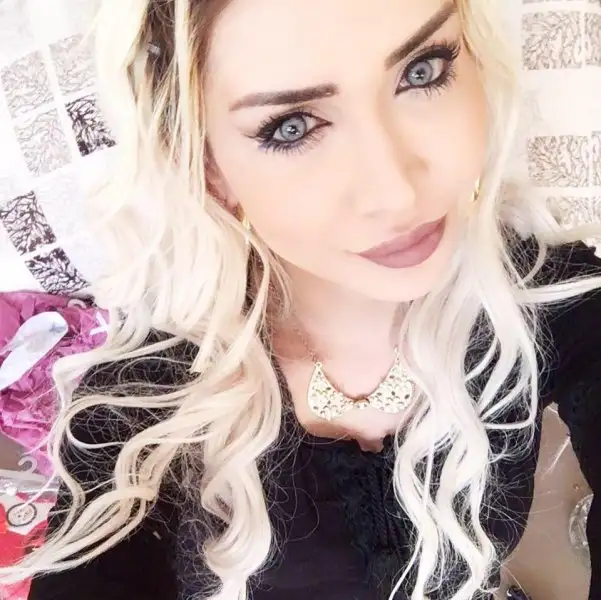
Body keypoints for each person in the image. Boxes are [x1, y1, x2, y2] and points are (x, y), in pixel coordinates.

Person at [2, 0, 601, 598]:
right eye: (291, 127)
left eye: (422, 71)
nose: (396, 192)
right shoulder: (142, 405)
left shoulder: (549, 298)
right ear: (209, 166)